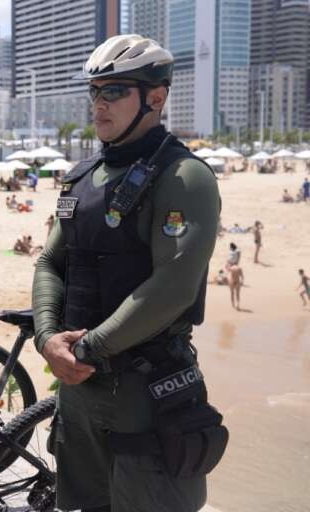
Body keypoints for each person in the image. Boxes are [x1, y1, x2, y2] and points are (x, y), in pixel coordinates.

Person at [32, 35, 225, 512]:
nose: (99, 103)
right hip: (78, 392)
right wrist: (46, 339)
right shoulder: (81, 177)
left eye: (114, 91)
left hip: (145, 393)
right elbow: (50, 262)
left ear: (155, 97)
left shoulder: (183, 177)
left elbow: (174, 286)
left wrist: (85, 348)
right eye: (95, 91)